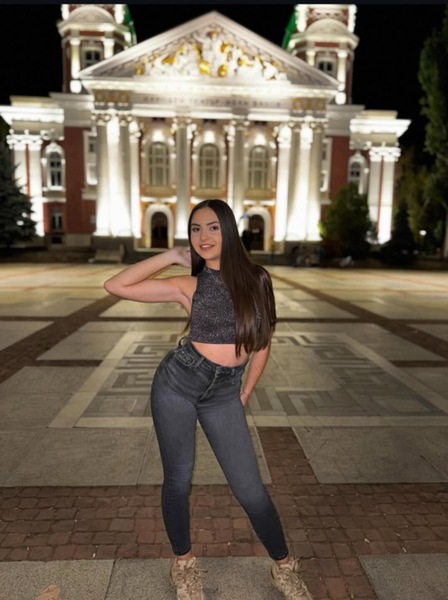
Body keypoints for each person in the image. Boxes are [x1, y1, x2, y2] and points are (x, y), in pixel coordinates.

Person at [104, 199, 312, 600]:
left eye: (213, 227)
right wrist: (171, 256)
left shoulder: (258, 280)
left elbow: (263, 342)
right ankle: (183, 564)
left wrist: (245, 390)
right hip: (177, 385)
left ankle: (284, 566)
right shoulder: (191, 285)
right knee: (179, 480)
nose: (203, 236)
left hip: (224, 393)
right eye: (195, 229)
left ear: (228, 230)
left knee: (250, 489)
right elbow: (115, 285)